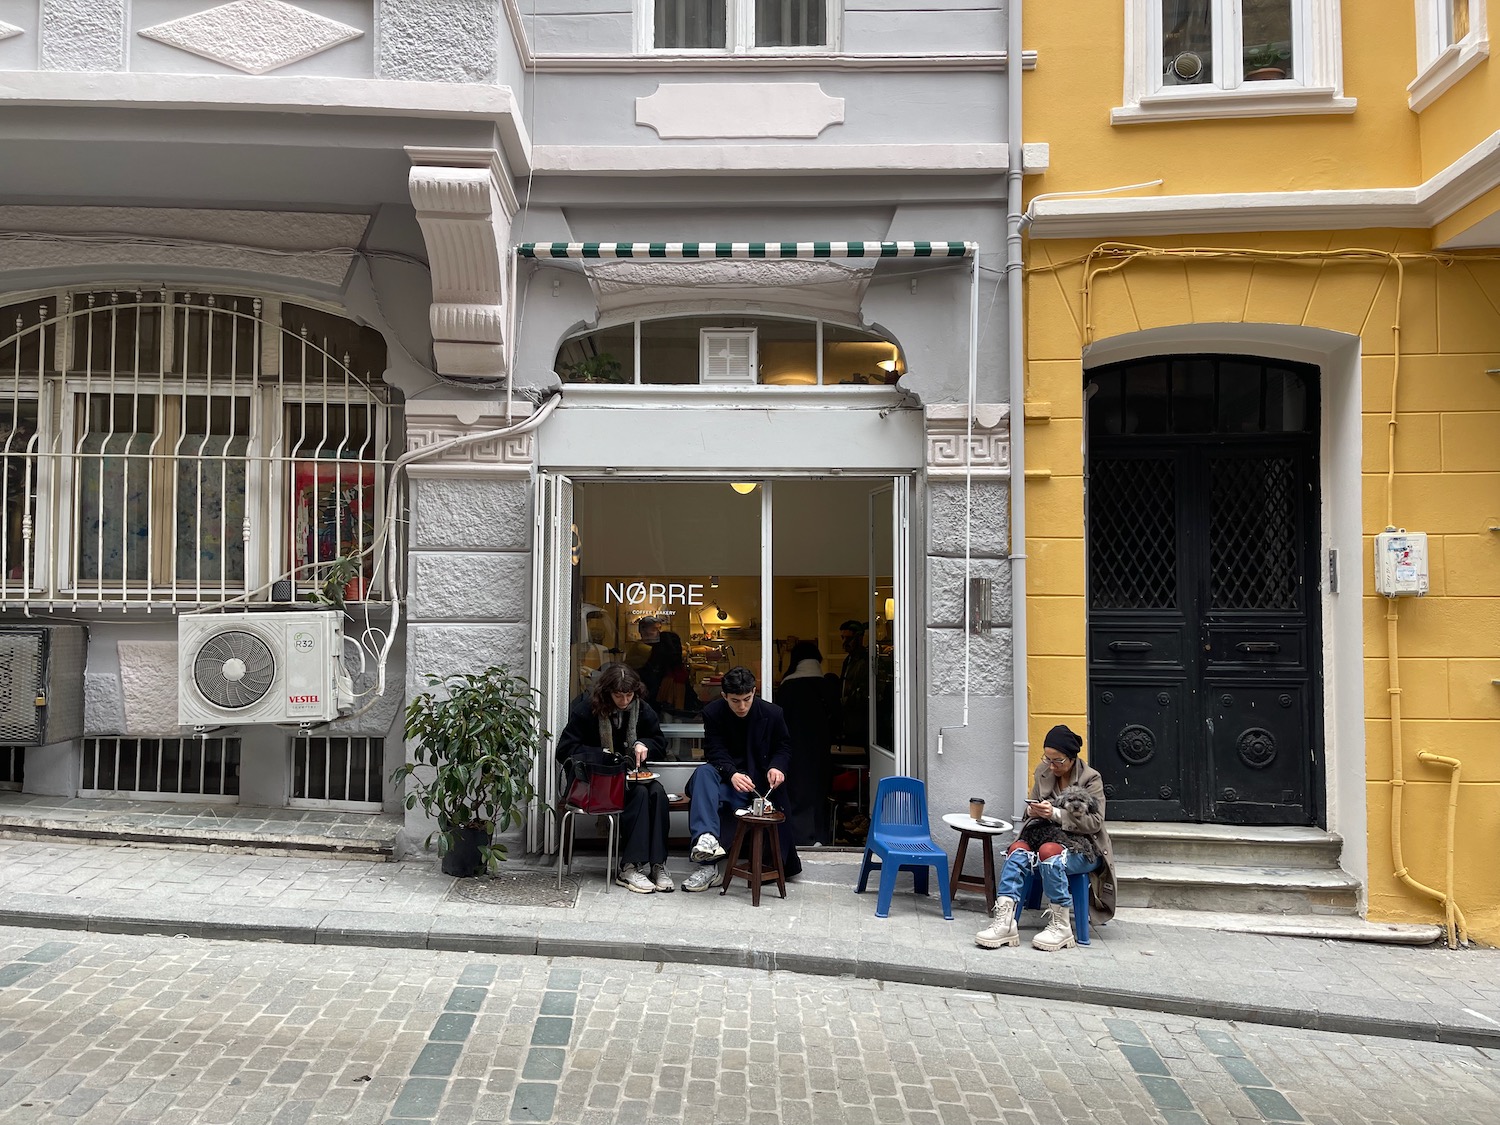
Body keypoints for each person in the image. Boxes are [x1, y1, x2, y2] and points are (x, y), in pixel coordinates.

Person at [974, 724, 1117, 951]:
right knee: (1017, 849)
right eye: (1048, 759)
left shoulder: (1091, 778)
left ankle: (1061, 927)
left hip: (1084, 848)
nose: (1051, 765)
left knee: (1049, 852)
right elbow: (1029, 809)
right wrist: (1031, 812)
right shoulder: (1043, 772)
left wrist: (1058, 814)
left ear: (1071, 759)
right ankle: (1005, 923)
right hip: (1044, 837)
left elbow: (1096, 822)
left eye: (1057, 761)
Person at [554, 662, 674, 894]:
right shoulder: (587, 709)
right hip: (596, 780)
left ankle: (658, 864)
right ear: (607, 692)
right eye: (619, 695)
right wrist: (603, 756)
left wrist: (643, 744)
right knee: (639, 794)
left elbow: (659, 742)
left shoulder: (641, 708)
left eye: (629, 694)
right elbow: (564, 750)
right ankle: (630, 866)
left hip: (630, 777)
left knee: (657, 792)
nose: (624, 700)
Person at [681, 665, 802, 891]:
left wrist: (777, 767)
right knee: (704, 773)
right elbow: (715, 750)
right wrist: (732, 773)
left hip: (760, 786)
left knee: (706, 782)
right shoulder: (713, 713)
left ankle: (709, 855)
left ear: (754, 692)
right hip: (728, 781)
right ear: (725, 696)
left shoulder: (772, 713)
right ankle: (705, 838)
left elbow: (783, 747)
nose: (742, 706)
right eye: (735, 700)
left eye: (747, 699)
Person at [776, 641, 839, 846]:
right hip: (821, 749)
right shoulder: (825, 686)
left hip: (792, 748)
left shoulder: (788, 686)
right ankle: (820, 836)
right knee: (819, 791)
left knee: (796, 789)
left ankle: (798, 836)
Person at [837, 619, 869, 747]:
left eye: (849, 638)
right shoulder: (848, 660)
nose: (845, 642)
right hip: (847, 716)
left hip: (860, 717)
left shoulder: (865, 660)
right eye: (842, 637)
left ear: (860, 638)